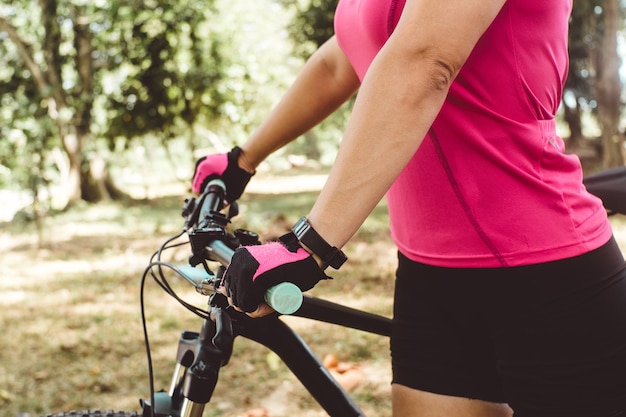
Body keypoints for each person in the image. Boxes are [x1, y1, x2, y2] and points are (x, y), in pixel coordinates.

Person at [192, 0, 626, 415]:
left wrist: (311, 245)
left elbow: (425, 62)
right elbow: (341, 59)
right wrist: (243, 160)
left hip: (548, 278)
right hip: (430, 278)